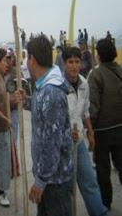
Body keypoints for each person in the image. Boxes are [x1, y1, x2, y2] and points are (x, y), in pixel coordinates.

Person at [21, 35, 73, 216]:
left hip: (54, 181)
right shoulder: (43, 87)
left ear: (32, 59)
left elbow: (52, 143)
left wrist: (41, 181)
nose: (26, 62)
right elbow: (43, 113)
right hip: (48, 178)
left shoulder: (51, 92)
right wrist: (26, 102)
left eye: (27, 57)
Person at [62, 46, 108, 216]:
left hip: (79, 140)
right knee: (65, 187)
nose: (74, 66)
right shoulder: (58, 86)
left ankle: (99, 212)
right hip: (62, 145)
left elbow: (85, 110)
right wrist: (67, 133)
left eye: (77, 62)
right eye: (70, 62)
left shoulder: (84, 83)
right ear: (64, 63)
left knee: (89, 181)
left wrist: (90, 132)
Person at [88, 38, 122, 210]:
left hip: (103, 130)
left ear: (99, 54)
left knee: (103, 169)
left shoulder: (96, 74)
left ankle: (105, 203)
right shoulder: (120, 70)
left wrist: (89, 129)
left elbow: (93, 106)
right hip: (120, 127)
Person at [0, 48, 20, 207]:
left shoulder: (1, 77)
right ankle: (2, 192)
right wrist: (5, 118)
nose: (7, 63)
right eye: (3, 60)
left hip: (4, 125)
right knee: (3, 160)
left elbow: (4, 99)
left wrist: (15, 98)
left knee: (2, 158)